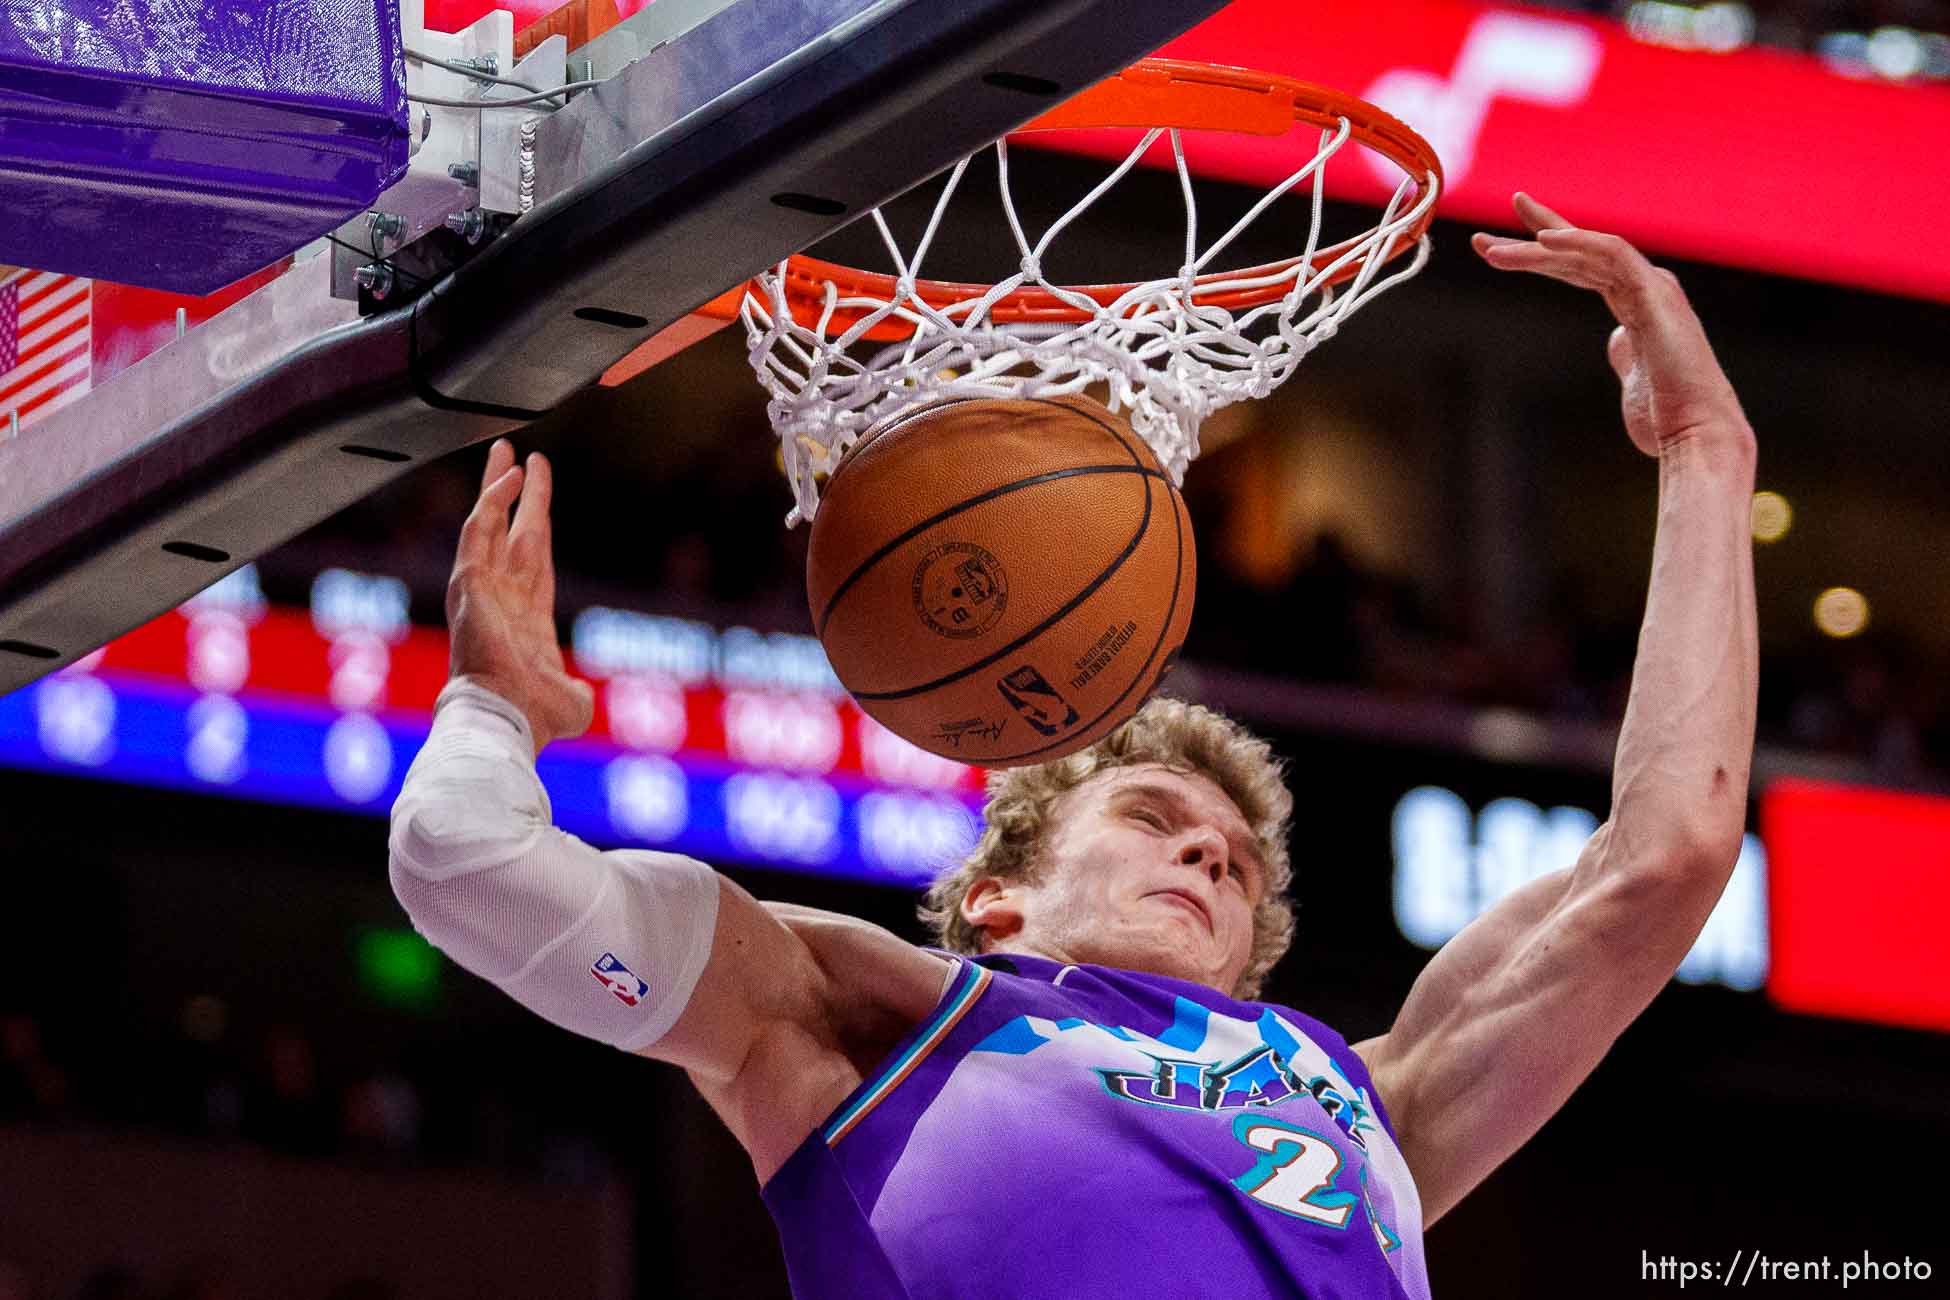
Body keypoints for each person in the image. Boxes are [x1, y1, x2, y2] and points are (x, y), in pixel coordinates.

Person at [389, 194, 1757, 1298]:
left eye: (1234, 868)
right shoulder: (862, 1017)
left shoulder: (1369, 1102)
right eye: (1155, 816)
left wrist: (1705, 454)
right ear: (996, 894)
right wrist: (492, 708)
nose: (1210, 852)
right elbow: (461, 861)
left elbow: (1671, 855)